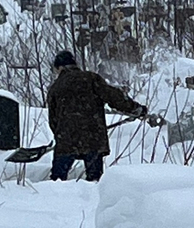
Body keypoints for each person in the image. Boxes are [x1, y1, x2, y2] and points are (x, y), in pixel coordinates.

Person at [46, 50, 151, 181]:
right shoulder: (90, 78)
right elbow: (114, 97)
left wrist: (61, 135)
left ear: (59, 67)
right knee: (95, 180)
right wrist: (136, 109)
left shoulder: (56, 87)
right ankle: (94, 199)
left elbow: (53, 120)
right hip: (93, 136)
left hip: (66, 139)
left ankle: (56, 199)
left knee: (57, 181)